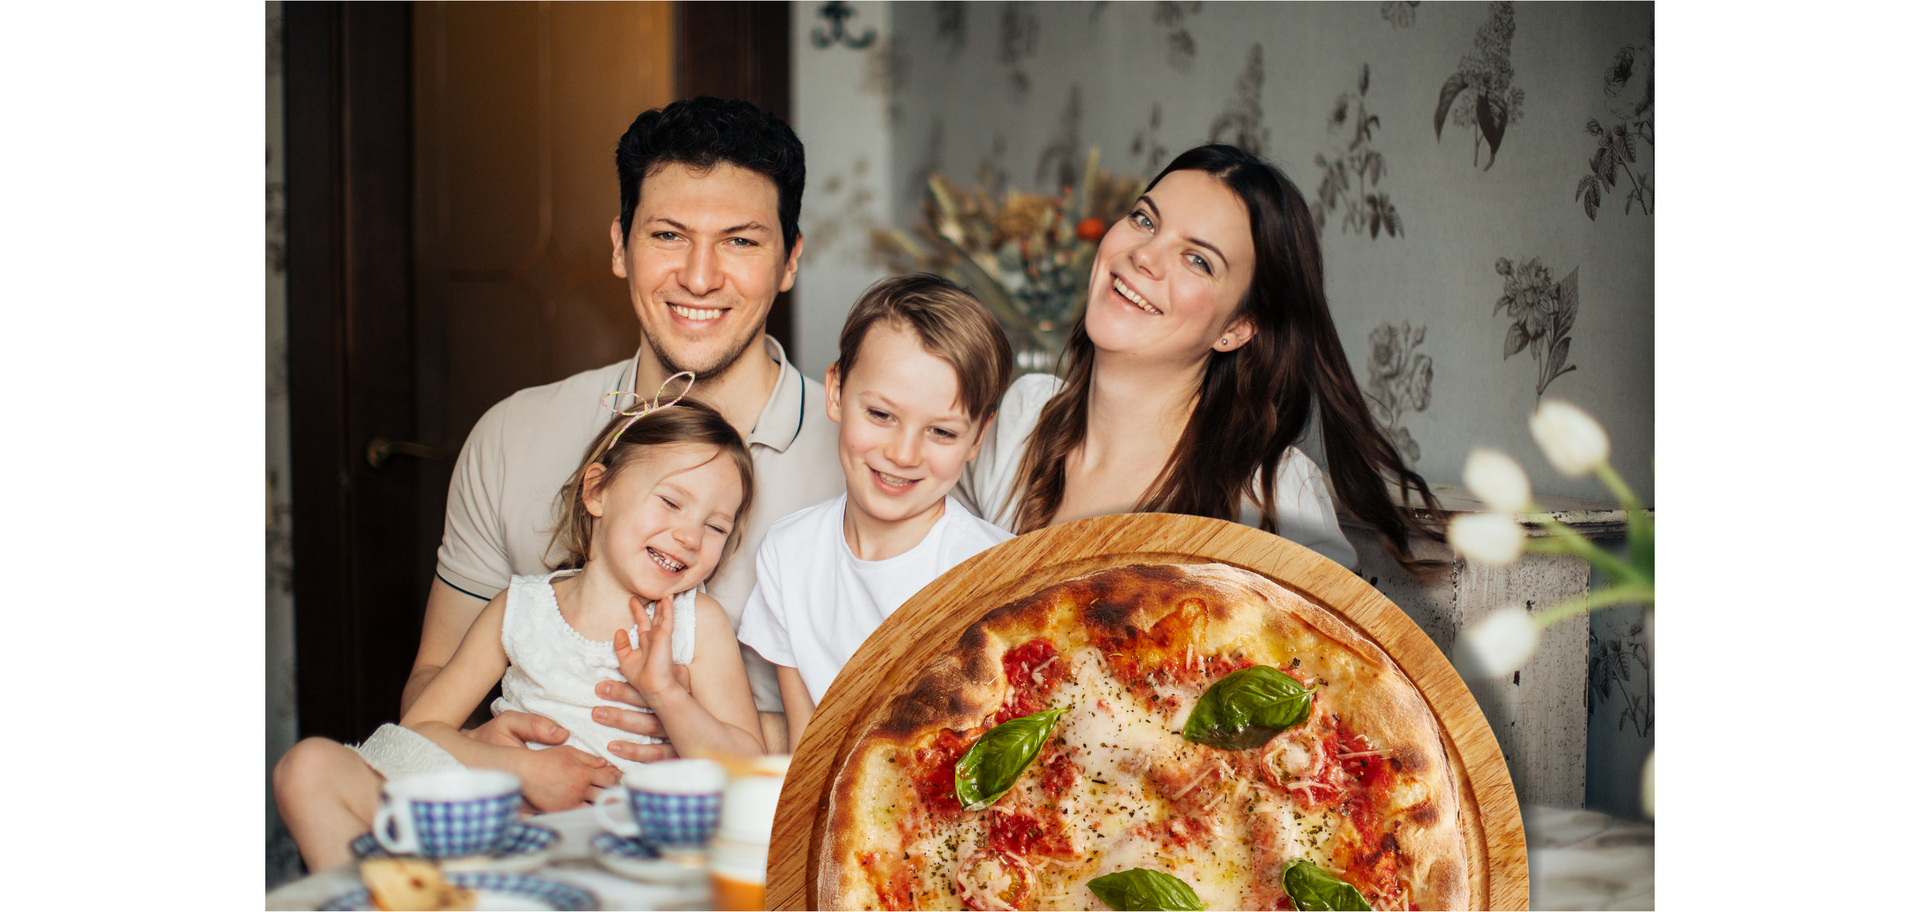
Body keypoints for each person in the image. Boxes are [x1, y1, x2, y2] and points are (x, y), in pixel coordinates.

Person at [406, 97, 843, 796]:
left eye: (740, 241)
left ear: (790, 261)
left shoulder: (866, 464)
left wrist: (701, 736)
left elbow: (900, 714)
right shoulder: (512, 435)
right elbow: (431, 685)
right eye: (668, 235)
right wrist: (480, 751)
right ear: (619, 245)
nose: (700, 277)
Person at [275, 395, 765, 871]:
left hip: (619, 855)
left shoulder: (699, 623)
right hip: (491, 830)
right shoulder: (521, 607)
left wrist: (666, 696)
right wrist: (520, 772)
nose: (691, 536)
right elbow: (415, 735)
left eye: (717, 527)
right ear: (597, 491)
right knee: (306, 769)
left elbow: (751, 776)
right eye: (671, 501)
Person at [957, 144, 1442, 574]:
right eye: (1145, 219)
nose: (1145, 255)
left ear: (1236, 328)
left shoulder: (1273, 496)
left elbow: (1318, 670)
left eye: (1198, 260)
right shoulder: (1020, 420)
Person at [736, 274, 1016, 748]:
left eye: (941, 432)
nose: (903, 454)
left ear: (978, 436)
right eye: (882, 415)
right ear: (836, 392)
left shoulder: (996, 572)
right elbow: (810, 753)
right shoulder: (789, 554)